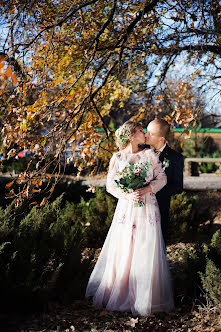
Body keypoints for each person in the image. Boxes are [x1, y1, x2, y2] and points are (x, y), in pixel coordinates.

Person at [85, 121, 174, 316]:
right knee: (125, 246)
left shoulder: (149, 155)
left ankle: (145, 297)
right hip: (126, 209)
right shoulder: (117, 158)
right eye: (142, 131)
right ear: (132, 135)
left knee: (145, 245)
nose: (145, 134)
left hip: (148, 207)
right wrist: (127, 195)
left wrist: (147, 189)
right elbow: (110, 185)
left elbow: (162, 178)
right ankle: (121, 292)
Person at [145, 119, 184, 243]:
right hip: (140, 208)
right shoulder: (141, 153)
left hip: (160, 209)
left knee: (157, 244)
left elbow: (177, 186)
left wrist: (153, 191)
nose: (146, 135)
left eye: (151, 133)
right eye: (146, 131)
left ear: (161, 139)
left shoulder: (175, 158)